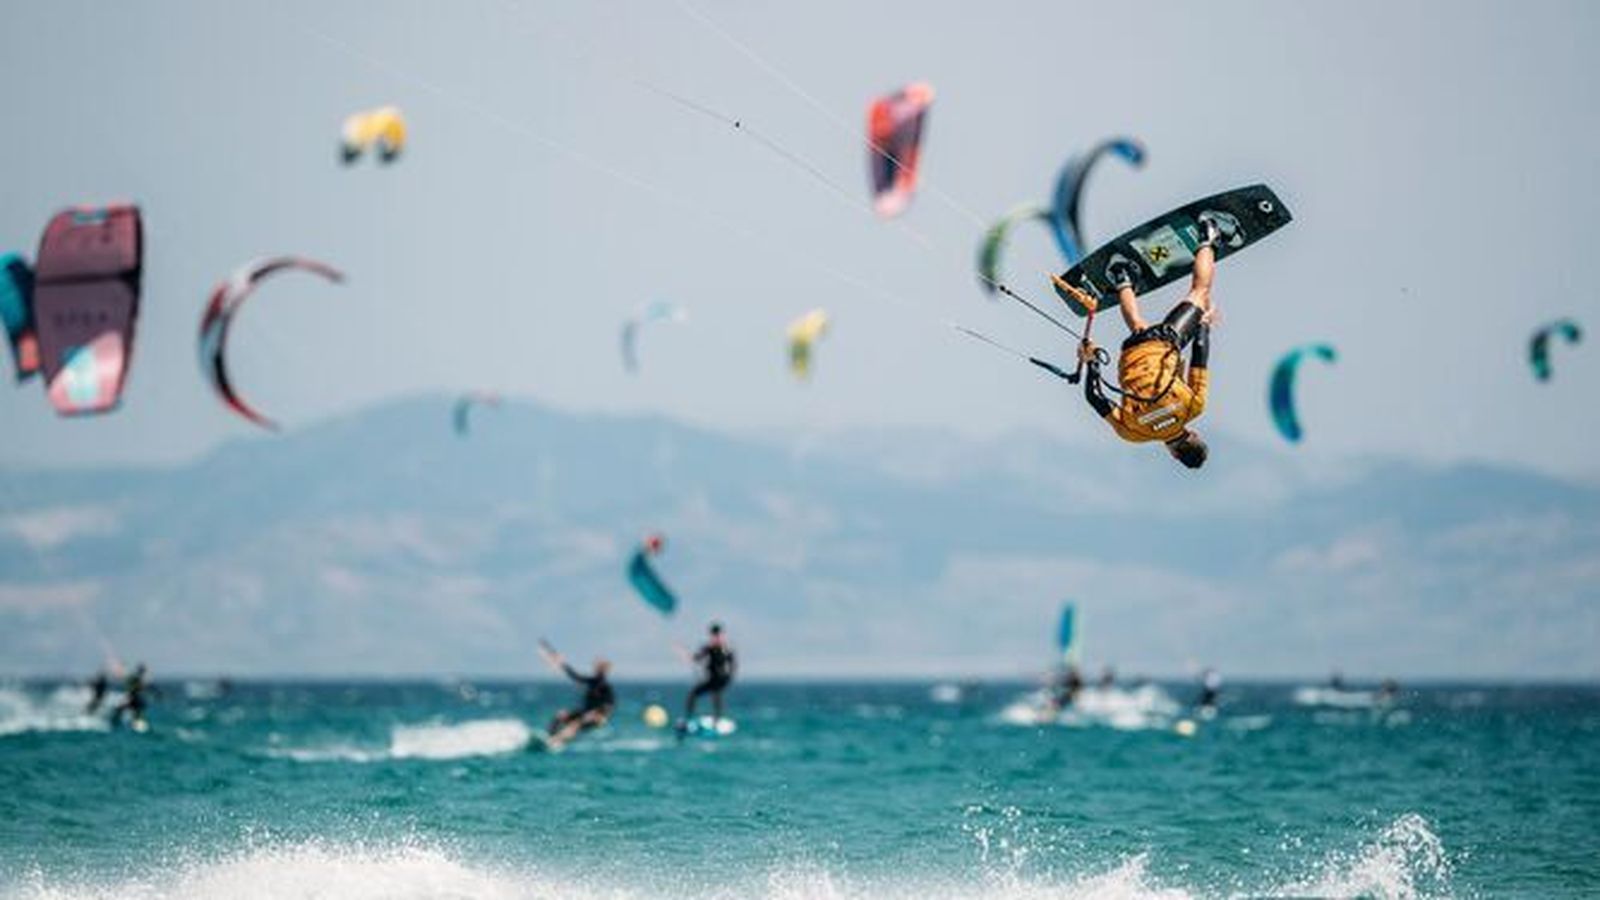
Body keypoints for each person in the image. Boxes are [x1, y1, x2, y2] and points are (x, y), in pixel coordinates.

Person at [1064, 217, 1225, 469]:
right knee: (1138, 326)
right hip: (1130, 352)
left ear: (1194, 435)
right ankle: (1122, 276)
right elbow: (1095, 398)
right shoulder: (1133, 434)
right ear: (1173, 454)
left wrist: (1203, 324)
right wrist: (1091, 361)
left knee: (1200, 293)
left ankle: (1208, 237)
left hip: (1163, 342)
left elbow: (1199, 355)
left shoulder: (1193, 408)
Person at [537, 640, 615, 744]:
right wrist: (563, 664)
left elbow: (610, 705)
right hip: (584, 713)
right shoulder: (592, 681)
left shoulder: (605, 686)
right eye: (596, 667)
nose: (595, 668)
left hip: (596, 718)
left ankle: (557, 741)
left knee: (575, 725)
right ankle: (550, 737)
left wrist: (599, 714)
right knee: (560, 715)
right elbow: (575, 676)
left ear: (604, 670)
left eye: (599, 667)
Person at [683, 622, 736, 725]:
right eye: (714, 635)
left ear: (721, 635)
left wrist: (730, 675)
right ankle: (689, 717)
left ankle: (717, 719)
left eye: (718, 635)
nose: (716, 638)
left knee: (716, 693)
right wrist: (690, 657)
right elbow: (697, 658)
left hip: (721, 678)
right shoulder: (708, 648)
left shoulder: (726, 649)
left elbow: (732, 663)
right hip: (711, 679)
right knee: (693, 694)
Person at [109, 663, 149, 730]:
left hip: (135, 700)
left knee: (133, 711)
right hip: (133, 699)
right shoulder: (136, 678)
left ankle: (137, 723)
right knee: (121, 710)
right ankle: (115, 722)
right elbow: (128, 682)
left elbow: (135, 687)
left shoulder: (139, 679)